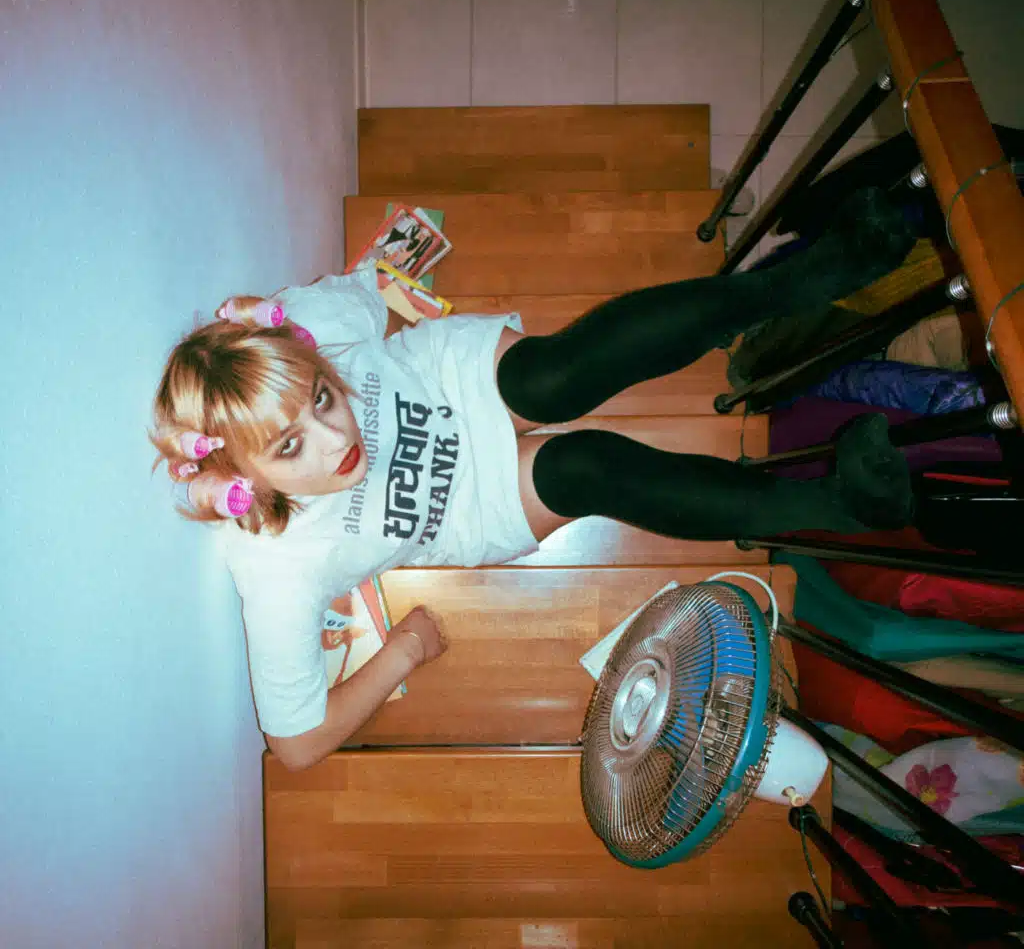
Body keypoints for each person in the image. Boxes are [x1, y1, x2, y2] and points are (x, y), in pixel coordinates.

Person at [151, 187, 917, 771]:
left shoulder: (300, 329)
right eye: (291, 446)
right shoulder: (278, 565)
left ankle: (804, 279)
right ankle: (838, 505)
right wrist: (402, 653)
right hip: (467, 503)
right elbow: (296, 744)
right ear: (242, 474)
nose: (336, 438)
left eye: (323, 396)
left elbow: (368, 287)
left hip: (450, 380)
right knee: (586, 468)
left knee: (555, 376)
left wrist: (391, 262)